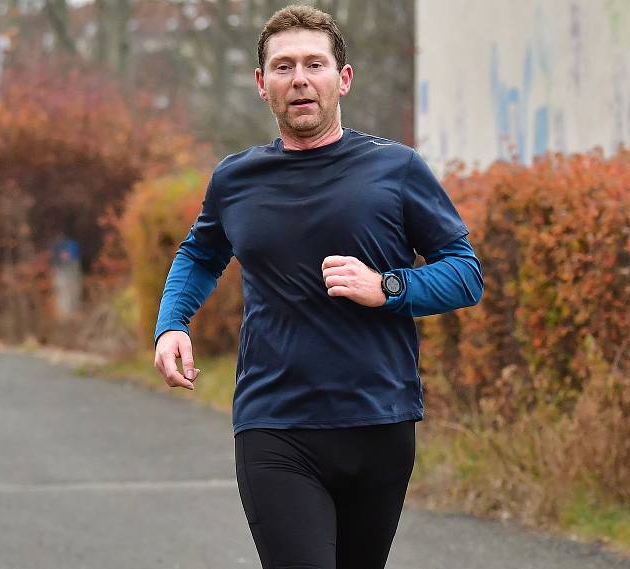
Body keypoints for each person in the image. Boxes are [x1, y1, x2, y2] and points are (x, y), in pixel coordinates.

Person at [153, 5, 484, 568]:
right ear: (263, 85)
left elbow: (465, 272)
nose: (299, 79)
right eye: (283, 67)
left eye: (314, 64)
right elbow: (199, 253)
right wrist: (171, 324)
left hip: (378, 420)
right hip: (275, 424)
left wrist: (389, 286)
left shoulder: (395, 169)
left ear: (343, 78)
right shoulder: (236, 179)